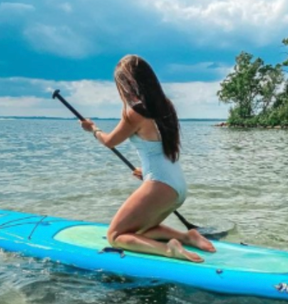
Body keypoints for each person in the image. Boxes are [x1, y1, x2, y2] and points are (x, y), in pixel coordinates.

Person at [77, 55, 217, 263]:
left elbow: (110, 141)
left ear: (127, 84)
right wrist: (146, 172)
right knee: (142, 230)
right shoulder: (166, 106)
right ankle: (188, 236)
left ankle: (169, 249)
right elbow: (159, 148)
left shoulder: (135, 112)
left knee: (115, 236)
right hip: (177, 185)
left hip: (161, 184)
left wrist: (93, 129)